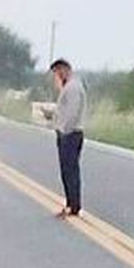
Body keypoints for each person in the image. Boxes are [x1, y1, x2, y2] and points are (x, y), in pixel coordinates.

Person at [49, 58, 88, 216]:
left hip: (71, 134)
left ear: (64, 69)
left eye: (58, 72)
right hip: (68, 132)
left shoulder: (73, 87)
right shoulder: (69, 86)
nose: (57, 76)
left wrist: (64, 130)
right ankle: (70, 202)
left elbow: (72, 113)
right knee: (67, 170)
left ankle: (74, 204)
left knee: (70, 170)